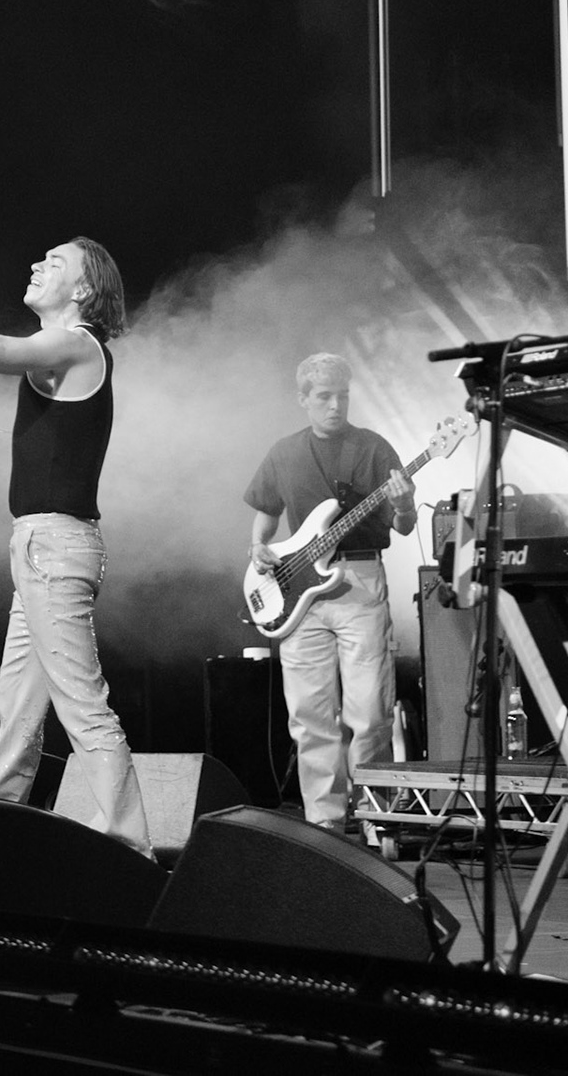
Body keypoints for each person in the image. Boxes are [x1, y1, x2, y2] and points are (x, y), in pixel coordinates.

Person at [0, 240, 153, 864]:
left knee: (82, 705)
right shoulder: (56, 350)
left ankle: (128, 848)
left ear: (83, 289)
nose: (35, 266)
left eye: (54, 263)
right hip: (38, 547)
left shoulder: (77, 345)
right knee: (19, 706)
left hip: (56, 546)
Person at [244, 352, 415, 836]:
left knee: (371, 711)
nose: (336, 405)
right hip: (300, 592)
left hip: (359, 580)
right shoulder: (283, 452)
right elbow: (266, 514)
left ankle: (376, 816)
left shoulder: (373, 447)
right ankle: (324, 823)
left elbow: (403, 526)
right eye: (324, 397)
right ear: (303, 399)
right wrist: (258, 547)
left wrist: (404, 505)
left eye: (342, 396)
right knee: (309, 715)